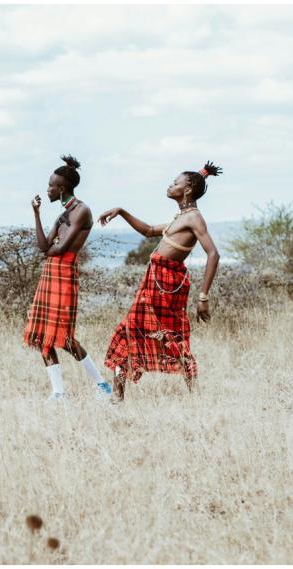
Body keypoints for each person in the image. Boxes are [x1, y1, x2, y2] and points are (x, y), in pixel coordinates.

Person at [97, 161, 222, 401]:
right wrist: (121, 211)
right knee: (138, 332)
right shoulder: (182, 217)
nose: (170, 185)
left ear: (187, 190)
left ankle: (119, 397)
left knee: (163, 335)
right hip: (156, 282)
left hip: (167, 284)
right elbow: (148, 230)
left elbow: (213, 254)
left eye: (176, 183)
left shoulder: (194, 218)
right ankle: (118, 396)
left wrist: (203, 296)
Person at [24, 154, 113, 404]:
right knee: (42, 335)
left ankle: (102, 385)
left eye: (51, 186)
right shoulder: (62, 215)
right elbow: (44, 246)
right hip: (50, 274)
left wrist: (52, 249)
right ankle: (58, 394)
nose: (48, 189)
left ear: (61, 188)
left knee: (63, 337)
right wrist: (36, 214)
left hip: (63, 274)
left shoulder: (81, 211)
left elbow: (59, 249)